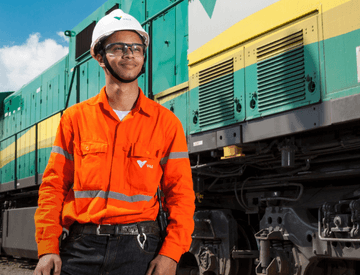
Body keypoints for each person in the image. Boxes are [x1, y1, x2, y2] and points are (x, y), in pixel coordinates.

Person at [34, 9, 195, 275]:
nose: (129, 53)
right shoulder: (74, 119)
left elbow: (181, 195)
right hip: (81, 248)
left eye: (136, 48)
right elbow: (53, 188)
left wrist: (171, 254)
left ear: (143, 56)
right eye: (118, 47)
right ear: (99, 57)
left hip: (141, 250)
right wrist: (48, 248)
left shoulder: (166, 123)